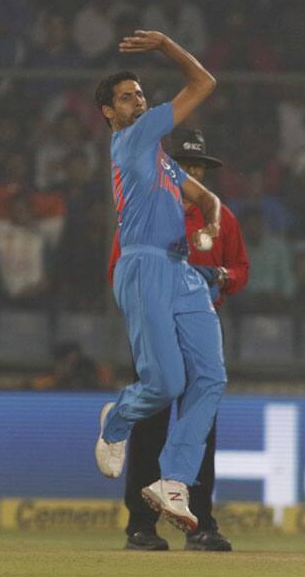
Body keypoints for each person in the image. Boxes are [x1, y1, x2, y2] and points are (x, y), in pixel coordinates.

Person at [94, 30, 226, 535]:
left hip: (181, 272)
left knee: (210, 377)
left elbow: (205, 196)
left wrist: (211, 219)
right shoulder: (134, 138)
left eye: (141, 94)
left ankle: (174, 481)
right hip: (144, 266)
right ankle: (117, 420)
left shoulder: (164, 161)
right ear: (108, 112)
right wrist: (167, 45)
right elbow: (204, 81)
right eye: (127, 96)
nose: (139, 100)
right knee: (167, 384)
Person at [108, 129, 249, 551]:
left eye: (199, 168)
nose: (194, 174)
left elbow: (240, 268)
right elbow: (120, 268)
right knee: (151, 429)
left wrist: (222, 277)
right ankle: (141, 525)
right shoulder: (145, 212)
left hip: (201, 325)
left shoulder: (221, 218)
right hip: (156, 326)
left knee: (201, 430)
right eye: (187, 167)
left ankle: (200, 523)